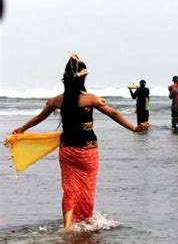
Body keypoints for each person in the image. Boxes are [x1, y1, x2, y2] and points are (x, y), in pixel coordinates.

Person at [11, 54, 148, 230]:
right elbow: (114, 114)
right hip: (88, 151)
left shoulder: (57, 100)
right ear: (83, 77)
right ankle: (85, 221)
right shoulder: (90, 98)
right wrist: (134, 128)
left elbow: (40, 117)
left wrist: (22, 129)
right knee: (86, 187)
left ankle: (67, 225)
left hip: (67, 150)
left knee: (69, 189)